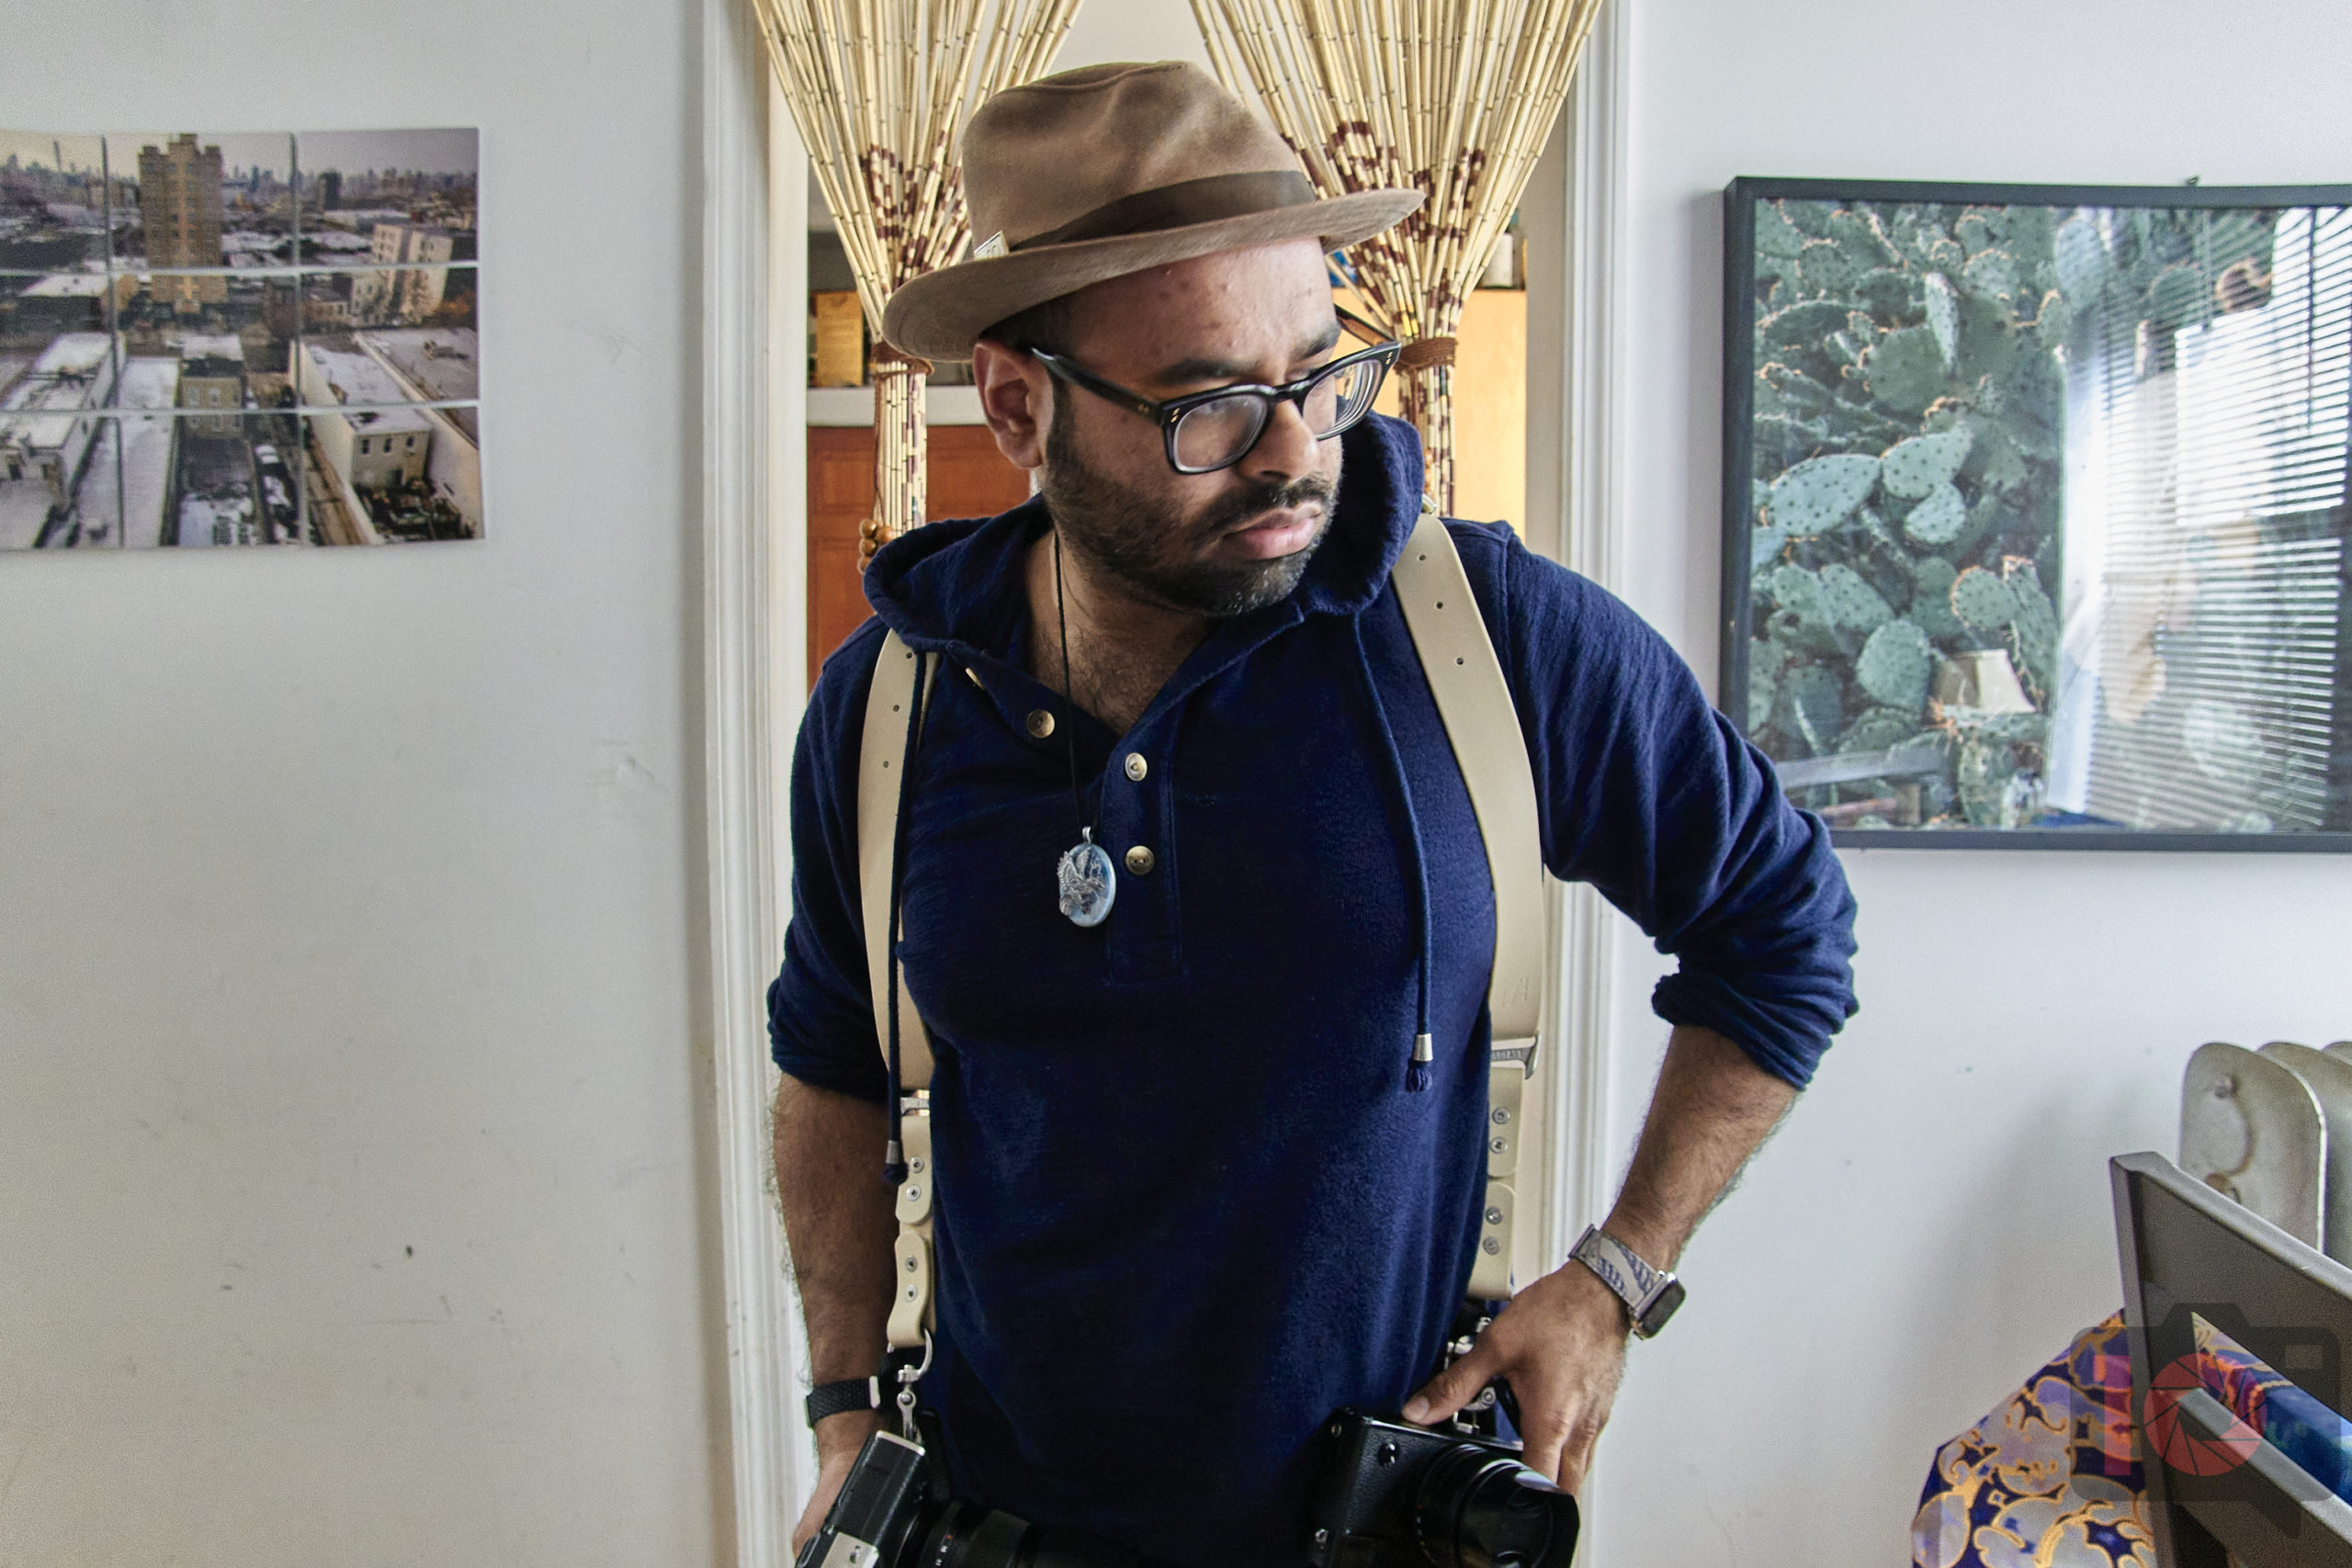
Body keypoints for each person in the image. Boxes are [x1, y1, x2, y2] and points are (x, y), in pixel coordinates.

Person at [769, 60, 1859, 1568]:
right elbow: (831, 1064)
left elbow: (1785, 936)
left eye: (1317, 370)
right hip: (993, 1526)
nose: (1294, 452)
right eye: (1211, 405)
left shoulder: (1500, 643)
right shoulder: (886, 705)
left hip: (1379, 1530)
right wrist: (839, 1408)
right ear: (1020, 406)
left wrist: (1615, 1277)